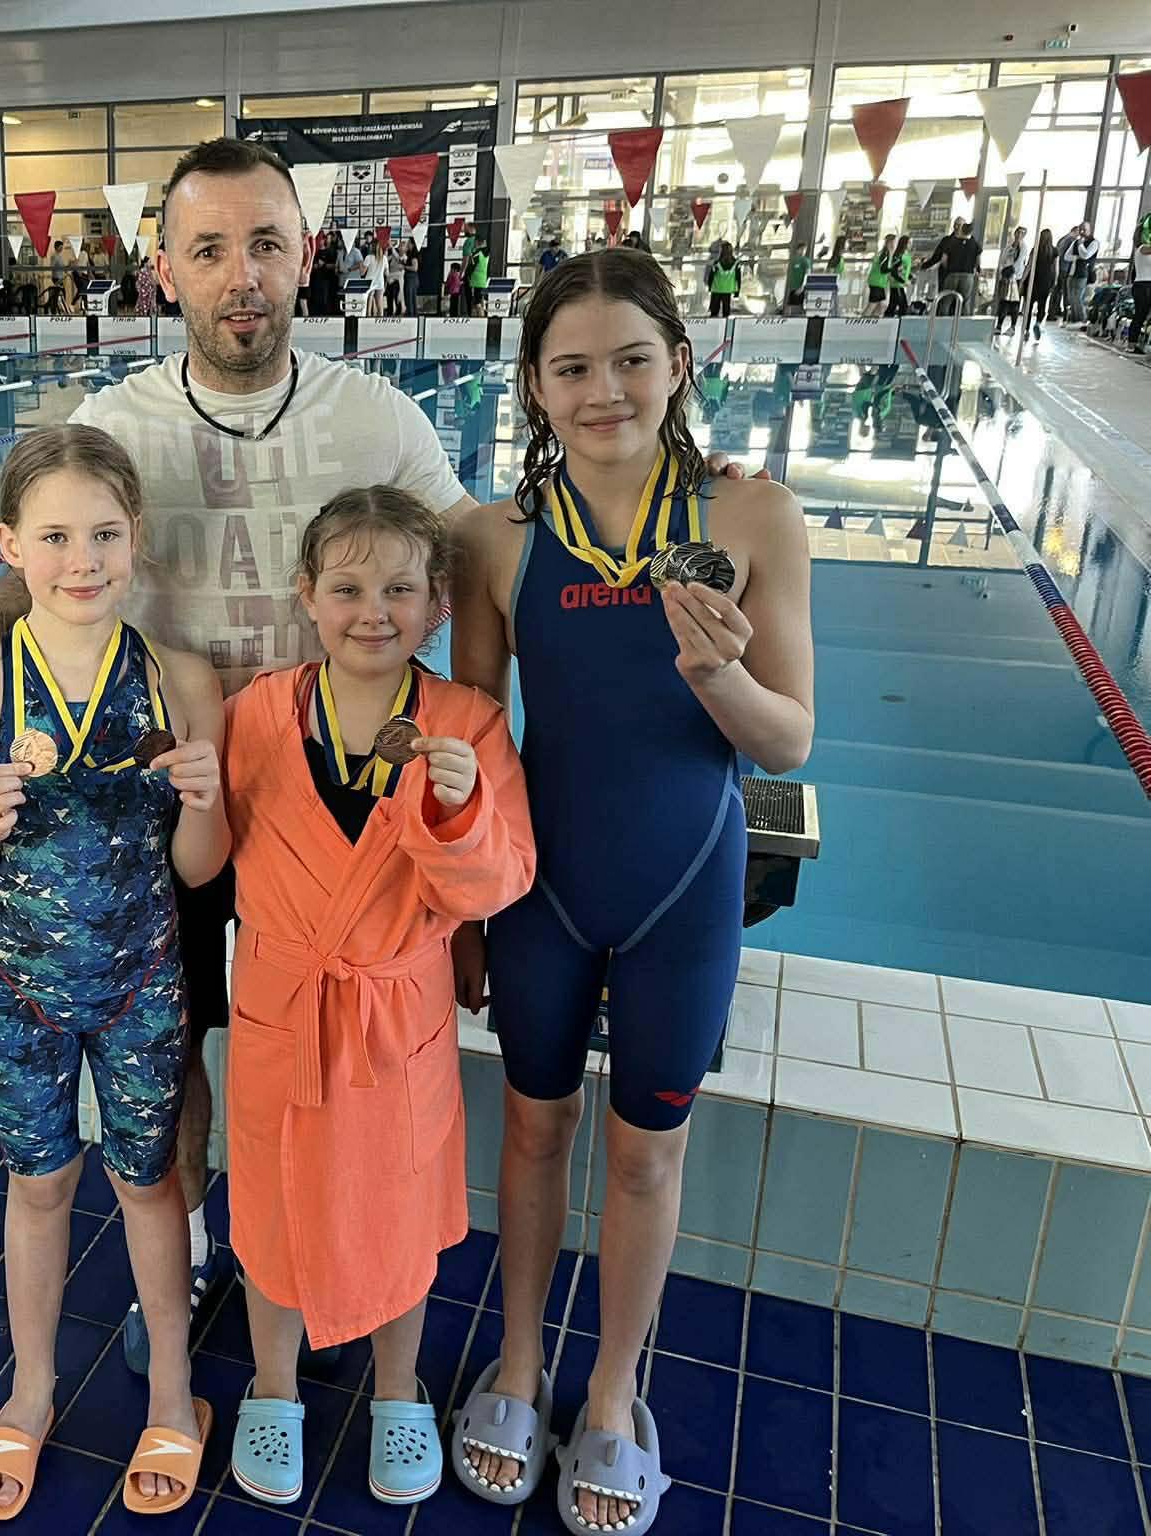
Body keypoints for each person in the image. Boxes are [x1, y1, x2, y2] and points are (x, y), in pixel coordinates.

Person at [0, 137, 758, 1388]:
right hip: (175, 792)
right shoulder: (113, 422)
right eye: (209, 249)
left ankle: (352, 1259)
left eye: (264, 243)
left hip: (338, 799)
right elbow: (56, 548)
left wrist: (680, 474)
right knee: (181, 1048)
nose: (240, 275)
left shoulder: (377, 417)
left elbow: (480, 550)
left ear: (303, 255)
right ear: (164, 269)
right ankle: (200, 1249)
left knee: (317, 1052)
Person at [447, 246, 812, 1534]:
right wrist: (460, 918)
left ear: (678, 364)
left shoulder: (751, 519)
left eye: (629, 360)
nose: (602, 390)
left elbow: (786, 741)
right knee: (530, 1129)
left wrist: (717, 676)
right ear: (533, 387)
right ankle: (516, 1364)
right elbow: (475, 742)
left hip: (683, 887)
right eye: (570, 368)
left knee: (647, 1155)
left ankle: (610, 1389)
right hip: (540, 889)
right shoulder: (490, 538)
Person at [0, 424, 229, 1521]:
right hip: (19, 992)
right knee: (39, 1184)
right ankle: (32, 1387)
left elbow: (201, 867)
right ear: (9, 544)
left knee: (149, 1182)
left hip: (144, 983)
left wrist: (206, 801)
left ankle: (175, 1393)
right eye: (53, 536)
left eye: (102, 534)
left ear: (136, 538)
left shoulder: (181, 680)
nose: (81, 560)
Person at [221, 487, 535, 1510]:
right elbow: (208, 853)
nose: (373, 612)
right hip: (283, 1005)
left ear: (436, 604)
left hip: (393, 1014)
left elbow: (500, 883)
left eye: (400, 590)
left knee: (396, 1205)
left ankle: (399, 1392)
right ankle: (274, 1387)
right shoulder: (257, 713)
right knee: (270, 1203)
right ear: (306, 595)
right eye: (348, 588)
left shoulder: (468, 724)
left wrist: (459, 808)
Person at [918, 219, 980, 315]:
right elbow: (937, 257)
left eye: (959, 225)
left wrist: (948, 269)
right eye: (956, 224)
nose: (956, 227)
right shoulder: (971, 242)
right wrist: (924, 266)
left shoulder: (952, 241)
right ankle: (953, 321)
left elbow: (942, 258)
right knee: (959, 301)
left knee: (948, 301)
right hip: (959, 275)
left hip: (951, 274)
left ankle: (949, 320)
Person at [994, 225, 1029, 337]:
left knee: (1014, 303)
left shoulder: (1023, 247)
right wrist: (1002, 272)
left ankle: (1012, 327)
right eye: (1018, 232)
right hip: (1006, 278)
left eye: (1022, 233)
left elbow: (1019, 263)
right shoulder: (1009, 247)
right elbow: (1002, 260)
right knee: (1003, 302)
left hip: (1015, 278)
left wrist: (1010, 271)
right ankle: (999, 326)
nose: (1019, 235)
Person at [1060, 224, 1098, 322]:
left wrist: (1080, 245)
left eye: (1084, 230)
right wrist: (1076, 257)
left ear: (1089, 230)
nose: (1082, 232)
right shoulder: (1075, 242)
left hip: (1083, 274)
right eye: (1081, 230)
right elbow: (1066, 256)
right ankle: (1074, 319)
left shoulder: (1094, 243)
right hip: (1071, 273)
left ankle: (1082, 320)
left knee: (1078, 298)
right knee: (1071, 298)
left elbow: (1086, 255)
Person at [1025, 229, 1057, 341]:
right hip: (1046, 281)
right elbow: (1055, 268)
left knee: (1029, 306)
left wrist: (1022, 280)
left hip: (1034, 281)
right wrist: (1054, 282)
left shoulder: (1035, 250)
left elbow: (1029, 266)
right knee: (1042, 305)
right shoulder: (1054, 251)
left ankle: (1026, 330)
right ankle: (1038, 323)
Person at [864, 233, 898, 317]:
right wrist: (892, 270)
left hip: (880, 283)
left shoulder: (888, 254)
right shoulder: (885, 254)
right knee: (872, 305)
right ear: (890, 243)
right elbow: (883, 269)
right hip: (876, 282)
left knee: (881, 306)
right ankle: (862, 321)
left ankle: (873, 320)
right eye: (895, 242)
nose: (896, 245)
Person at [706, 240, 741, 318]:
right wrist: (737, 292)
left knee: (714, 311)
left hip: (716, 289)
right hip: (728, 289)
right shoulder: (736, 263)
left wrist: (709, 287)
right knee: (726, 311)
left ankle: (714, 324)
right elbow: (738, 278)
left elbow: (711, 276)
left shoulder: (717, 263)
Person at [1130, 228, 1151, 353]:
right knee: (1139, 316)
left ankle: (1134, 344)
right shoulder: (1142, 248)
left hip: (1143, 285)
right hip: (1143, 286)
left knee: (1140, 316)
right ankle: (1132, 345)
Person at [784, 243, 812, 313]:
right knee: (791, 306)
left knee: (799, 307)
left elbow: (807, 275)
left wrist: (802, 287)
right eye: (801, 249)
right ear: (797, 250)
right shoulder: (793, 260)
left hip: (800, 288)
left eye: (804, 249)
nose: (802, 251)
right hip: (793, 288)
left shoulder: (805, 260)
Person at [402, 237, 421, 317]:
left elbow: (415, 268)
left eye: (409, 243)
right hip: (410, 278)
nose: (407, 244)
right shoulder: (409, 254)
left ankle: (411, 315)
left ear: (413, 244)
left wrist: (404, 267)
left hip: (411, 278)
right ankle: (411, 314)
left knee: (410, 298)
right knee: (409, 297)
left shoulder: (413, 255)